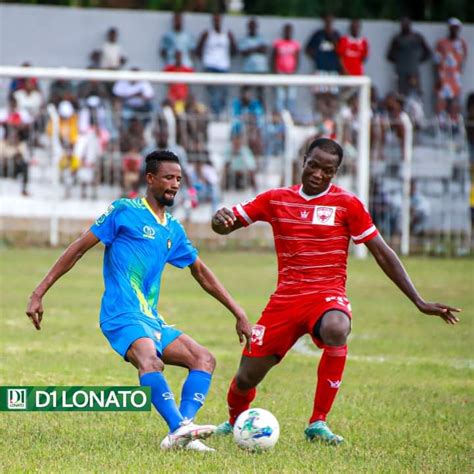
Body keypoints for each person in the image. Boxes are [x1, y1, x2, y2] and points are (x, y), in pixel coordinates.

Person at [211, 137, 460, 445]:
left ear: (336, 172)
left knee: (337, 326)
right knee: (246, 376)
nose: (318, 174)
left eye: (327, 170)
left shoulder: (347, 204)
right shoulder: (275, 199)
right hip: (285, 300)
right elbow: (227, 223)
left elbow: (382, 252)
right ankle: (235, 421)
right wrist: (220, 219)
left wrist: (418, 300)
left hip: (326, 296)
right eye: (313, 166)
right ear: (303, 162)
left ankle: (318, 422)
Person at [26, 150, 252, 452]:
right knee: (150, 359)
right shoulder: (124, 211)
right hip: (121, 313)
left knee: (204, 359)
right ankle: (180, 428)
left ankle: (182, 431)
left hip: (150, 318)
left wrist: (237, 311)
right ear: (150, 178)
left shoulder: (173, 228)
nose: (175, 184)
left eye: (179, 179)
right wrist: (39, 292)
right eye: (169, 177)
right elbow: (78, 248)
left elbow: (201, 272)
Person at [196, 13, 237, 117]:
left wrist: (225, 58)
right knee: (214, 94)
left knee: (224, 93)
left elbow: (235, 49)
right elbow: (198, 49)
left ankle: (220, 115)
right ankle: (215, 116)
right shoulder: (207, 33)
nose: (217, 22)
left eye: (218, 20)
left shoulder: (227, 33)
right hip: (210, 67)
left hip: (223, 68)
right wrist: (207, 60)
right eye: (215, 20)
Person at [433, 18, 468, 126]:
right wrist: (438, 77)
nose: (454, 30)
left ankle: (454, 127)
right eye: (452, 28)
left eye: (456, 28)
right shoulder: (441, 43)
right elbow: (436, 60)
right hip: (443, 77)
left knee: (455, 104)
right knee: (441, 103)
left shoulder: (462, 43)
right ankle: (441, 127)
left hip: (455, 79)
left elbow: (463, 60)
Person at [386, 17, 430, 96]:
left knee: (415, 93)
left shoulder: (417, 37)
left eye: (406, 24)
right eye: (403, 24)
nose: (404, 26)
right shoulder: (397, 39)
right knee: (401, 94)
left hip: (413, 72)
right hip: (401, 73)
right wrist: (400, 61)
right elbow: (389, 56)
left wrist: (417, 61)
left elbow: (428, 52)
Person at [271, 23, 300, 115]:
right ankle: (280, 117)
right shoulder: (278, 43)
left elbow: (297, 59)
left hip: (291, 73)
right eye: (286, 30)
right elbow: (273, 58)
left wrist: (294, 71)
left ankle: (291, 116)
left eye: (290, 30)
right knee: (280, 96)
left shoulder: (295, 44)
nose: (288, 32)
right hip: (280, 73)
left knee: (292, 96)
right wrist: (275, 72)